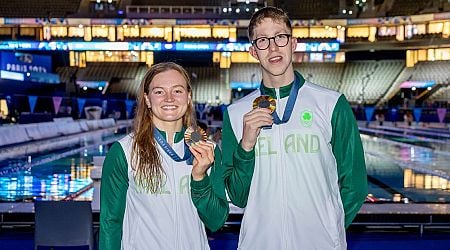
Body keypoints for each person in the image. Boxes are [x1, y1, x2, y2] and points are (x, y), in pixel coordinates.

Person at [221, 7, 368, 249]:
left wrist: (330, 228)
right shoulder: (236, 114)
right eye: (262, 41)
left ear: (293, 43)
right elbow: (237, 195)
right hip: (259, 243)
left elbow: (356, 183)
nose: (273, 47)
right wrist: (246, 145)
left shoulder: (330, 104)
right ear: (253, 51)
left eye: (280, 37)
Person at [99, 62, 228, 250]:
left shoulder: (208, 150)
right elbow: (110, 223)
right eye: (159, 92)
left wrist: (199, 178)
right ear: (148, 99)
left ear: (188, 97)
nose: (169, 98)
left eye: (177, 91)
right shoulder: (123, 151)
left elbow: (216, 221)